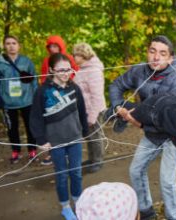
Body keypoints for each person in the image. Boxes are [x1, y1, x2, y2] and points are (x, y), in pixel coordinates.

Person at [109, 35, 176, 220]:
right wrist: (117, 106)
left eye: (162, 53)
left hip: (173, 135)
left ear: (170, 58)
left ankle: (173, 216)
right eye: (152, 51)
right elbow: (116, 84)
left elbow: (174, 120)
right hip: (151, 133)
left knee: (167, 181)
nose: (156, 57)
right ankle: (146, 212)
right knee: (135, 170)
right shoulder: (139, 71)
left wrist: (139, 122)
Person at [30, 53, 88, 220]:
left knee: (76, 172)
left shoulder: (75, 88)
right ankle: (65, 206)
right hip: (56, 142)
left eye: (67, 69)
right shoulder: (43, 91)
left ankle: (78, 201)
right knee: (62, 175)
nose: (65, 73)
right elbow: (35, 118)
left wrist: (84, 131)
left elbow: (82, 112)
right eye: (60, 70)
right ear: (51, 70)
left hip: (75, 138)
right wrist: (41, 139)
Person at [0, 35, 38, 163]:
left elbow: (34, 79)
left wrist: (36, 97)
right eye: (8, 43)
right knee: (11, 129)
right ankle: (16, 151)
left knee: (30, 126)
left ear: (19, 45)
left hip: (27, 100)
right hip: (8, 102)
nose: (11, 46)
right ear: (4, 46)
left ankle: (32, 150)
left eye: (14, 43)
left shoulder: (26, 61)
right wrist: (0, 98)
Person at [40, 35, 79, 166]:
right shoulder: (47, 60)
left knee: (67, 121)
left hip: (67, 92)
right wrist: (47, 90)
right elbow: (43, 76)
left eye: (55, 46)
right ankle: (52, 153)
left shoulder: (69, 59)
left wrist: (66, 81)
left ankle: (68, 151)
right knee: (52, 123)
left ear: (60, 46)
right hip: (51, 95)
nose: (52, 48)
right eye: (50, 46)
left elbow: (75, 72)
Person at [72, 43, 106, 173]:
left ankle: (98, 161)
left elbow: (96, 96)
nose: (73, 57)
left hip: (95, 110)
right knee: (89, 136)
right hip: (85, 109)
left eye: (75, 54)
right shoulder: (82, 69)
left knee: (96, 136)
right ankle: (92, 159)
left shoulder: (93, 70)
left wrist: (92, 116)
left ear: (82, 55)